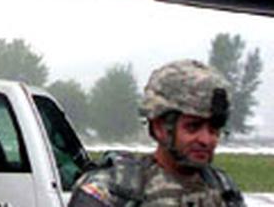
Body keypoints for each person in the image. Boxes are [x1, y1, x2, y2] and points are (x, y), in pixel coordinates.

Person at [68, 59, 244, 207]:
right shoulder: (110, 191)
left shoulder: (224, 191)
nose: (206, 139)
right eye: (193, 127)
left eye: (214, 128)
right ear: (160, 128)